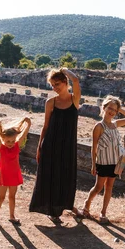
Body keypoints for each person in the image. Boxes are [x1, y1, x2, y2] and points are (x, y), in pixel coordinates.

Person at [29, 68, 81, 225]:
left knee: (66, 176)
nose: (54, 88)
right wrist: (39, 147)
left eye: (57, 84)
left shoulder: (74, 99)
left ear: (65, 82)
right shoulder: (50, 102)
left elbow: (76, 80)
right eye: (52, 85)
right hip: (50, 145)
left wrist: (65, 70)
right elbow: (45, 127)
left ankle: (67, 205)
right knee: (49, 177)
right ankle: (52, 212)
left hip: (67, 146)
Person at [74, 95, 125, 224]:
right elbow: (94, 147)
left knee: (109, 187)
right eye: (110, 108)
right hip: (103, 161)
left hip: (116, 161)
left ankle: (103, 213)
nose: (112, 111)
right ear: (104, 107)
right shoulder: (99, 126)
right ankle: (87, 204)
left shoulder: (115, 124)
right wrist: (93, 164)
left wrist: (120, 108)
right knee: (98, 187)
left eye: (114, 110)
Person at [0, 117, 32, 226]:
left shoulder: (17, 146)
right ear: (3, 139)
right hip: (4, 176)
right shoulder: (2, 148)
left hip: (14, 175)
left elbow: (23, 135)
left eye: (13, 141)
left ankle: (12, 216)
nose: (10, 143)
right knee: (1, 197)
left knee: (12, 197)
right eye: (8, 141)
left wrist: (28, 124)